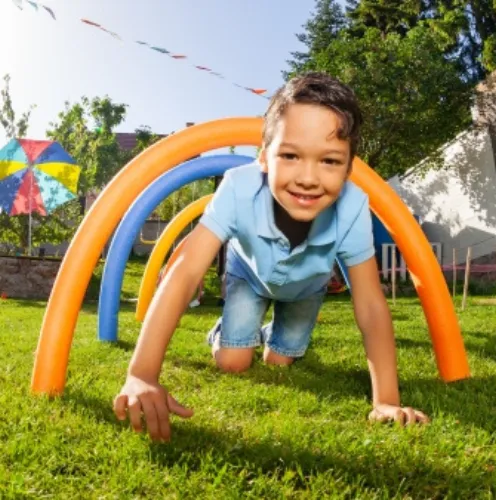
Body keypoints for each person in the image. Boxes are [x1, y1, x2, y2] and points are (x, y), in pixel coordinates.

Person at [113, 72, 430, 442]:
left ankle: (266, 334)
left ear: (348, 169)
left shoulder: (354, 206)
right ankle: (227, 332)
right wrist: (142, 374)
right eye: (291, 155)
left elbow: (371, 304)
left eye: (329, 161)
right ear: (264, 157)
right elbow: (184, 273)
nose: (308, 178)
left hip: (306, 288)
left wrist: (386, 401)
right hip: (248, 275)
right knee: (234, 363)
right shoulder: (238, 187)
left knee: (279, 362)